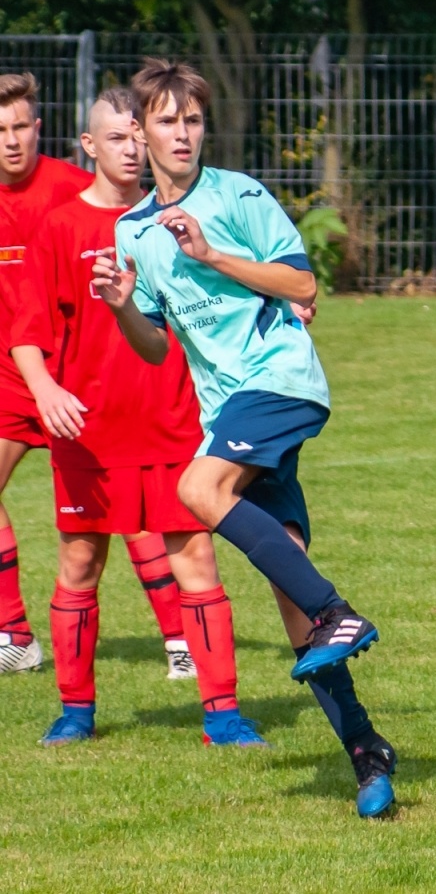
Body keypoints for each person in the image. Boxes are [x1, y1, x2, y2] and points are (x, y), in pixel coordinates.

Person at [93, 58, 397, 816]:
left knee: (196, 489)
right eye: (167, 121)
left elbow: (303, 286)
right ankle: (368, 755)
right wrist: (126, 305)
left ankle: (338, 609)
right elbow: (158, 347)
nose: (183, 133)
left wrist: (211, 255)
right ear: (140, 131)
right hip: (227, 407)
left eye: (192, 120)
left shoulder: (239, 196)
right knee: (290, 596)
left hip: (281, 381)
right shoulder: (132, 231)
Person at [12, 87, 263, 746]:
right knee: (79, 568)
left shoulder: (179, 219)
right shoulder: (60, 228)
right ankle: (75, 712)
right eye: (117, 138)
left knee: (198, 564)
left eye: (137, 134)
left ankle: (224, 716)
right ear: (90, 146)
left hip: (177, 425)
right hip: (90, 437)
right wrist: (45, 391)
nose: (132, 148)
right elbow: (25, 333)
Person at [0, 72, 190, 678]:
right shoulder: (63, 220)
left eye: (21, 126)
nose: (11, 140)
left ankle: (182, 644)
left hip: (113, 388)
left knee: (138, 521)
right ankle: (17, 636)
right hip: (27, 375)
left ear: (41, 128)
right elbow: (30, 318)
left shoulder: (92, 195)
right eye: (0, 129)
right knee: (87, 545)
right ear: (92, 140)